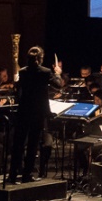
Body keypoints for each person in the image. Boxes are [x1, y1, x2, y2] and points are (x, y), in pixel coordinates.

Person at [7, 46, 63, 183]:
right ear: (40, 58)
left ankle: (12, 174)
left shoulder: (23, 71)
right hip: (38, 112)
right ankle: (27, 175)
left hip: (24, 111)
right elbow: (58, 85)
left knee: (19, 143)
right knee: (32, 144)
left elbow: (19, 87)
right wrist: (57, 73)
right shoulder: (45, 72)